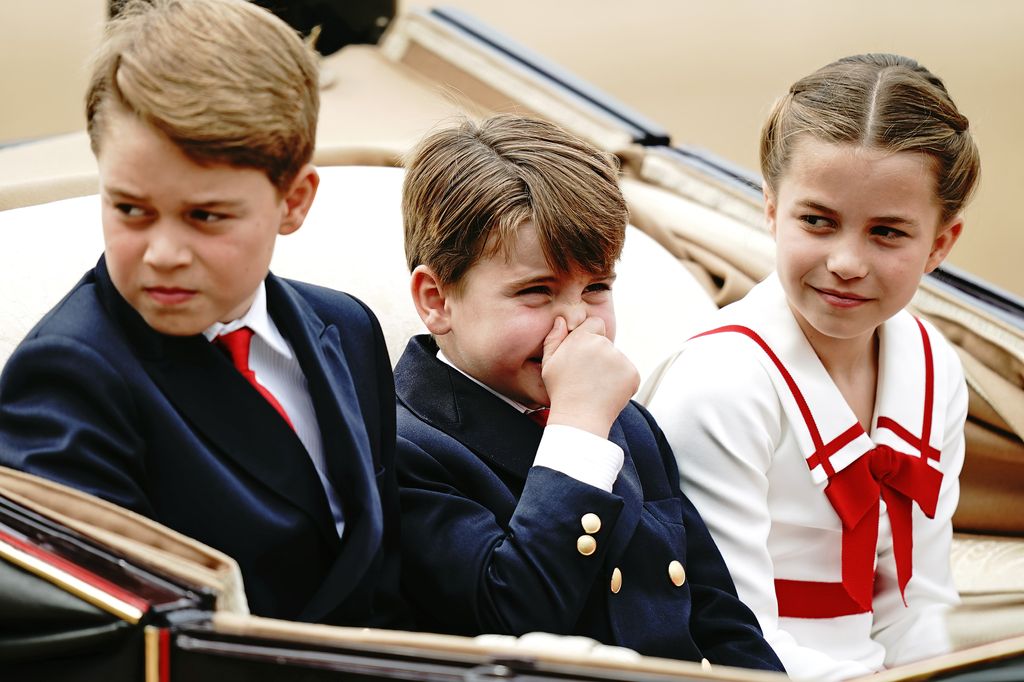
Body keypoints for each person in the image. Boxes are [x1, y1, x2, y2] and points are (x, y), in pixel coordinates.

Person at [0, 0, 406, 627]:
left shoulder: (347, 328)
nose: (162, 255)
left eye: (205, 216)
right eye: (131, 209)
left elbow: (380, 570)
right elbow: (96, 640)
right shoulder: (69, 379)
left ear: (294, 201)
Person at [394, 114, 784, 671]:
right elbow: (512, 614)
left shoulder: (628, 423)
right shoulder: (402, 447)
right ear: (436, 299)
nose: (577, 322)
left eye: (597, 288)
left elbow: (719, 619)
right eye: (536, 292)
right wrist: (576, 426)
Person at [646, 53, 980, 680]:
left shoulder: (936, 368)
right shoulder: (721, 382)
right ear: (770, 209)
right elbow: (726, 636)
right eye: (818, 221)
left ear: (940, 243)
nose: (847, 261)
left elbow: (921, 602)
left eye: (887, 232)